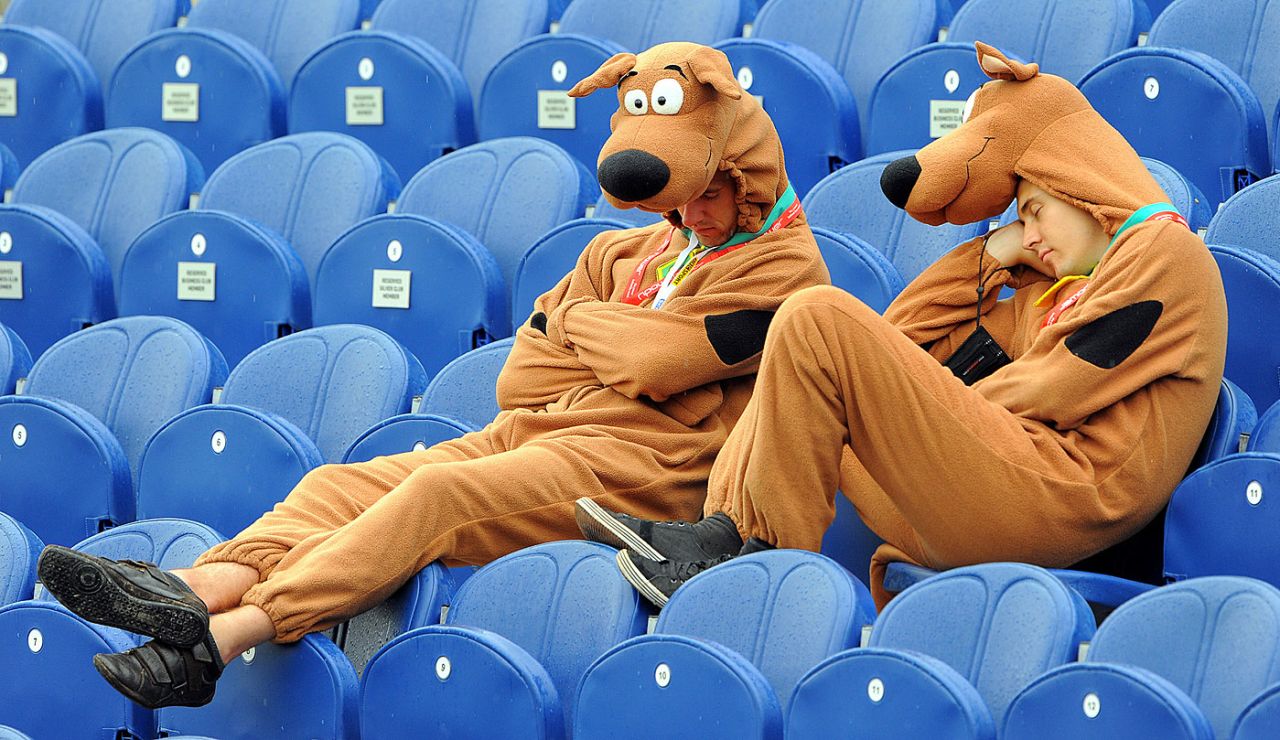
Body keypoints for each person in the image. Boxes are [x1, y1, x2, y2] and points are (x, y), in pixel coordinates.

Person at [36, 42, 828, 709]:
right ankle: (194, 588)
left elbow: (654, 363)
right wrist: (616, 343)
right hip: (533, 431)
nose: (694, 214)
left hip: (643, 471)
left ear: (744, 177)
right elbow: (524, 377)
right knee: (338, 487)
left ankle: (224, 637)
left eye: (713, 195)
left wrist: (583, 329)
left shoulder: (785, 267)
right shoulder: (620, 252)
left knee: (432, 499)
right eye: (685, 200)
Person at [577, 41, 1229, 609]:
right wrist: (989, 254)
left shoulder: (1166, 251)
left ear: (1080, 183)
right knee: (803, 363)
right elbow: (907, 336)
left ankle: (751, 553)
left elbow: (1058, 387)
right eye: (1020, 218)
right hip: (998, 479)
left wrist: (929, 408)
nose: (1027, 234)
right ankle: (720, 528)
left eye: (1033, 211)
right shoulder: (1040, 293)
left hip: (1063, 495)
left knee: (816, 315)